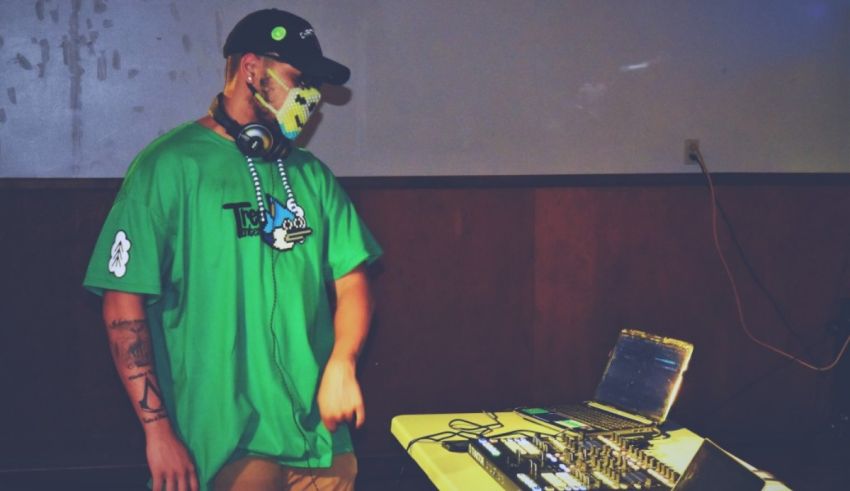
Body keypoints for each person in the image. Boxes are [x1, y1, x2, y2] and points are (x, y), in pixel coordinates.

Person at [83, 9, 381, 491]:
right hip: (226, 440)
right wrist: (157, 432)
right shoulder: (168, 168)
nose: (311, 98)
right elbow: (122, 302)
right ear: (250, 69)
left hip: (321, 436)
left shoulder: (311, 175)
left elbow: (353, 282)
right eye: (298, 79)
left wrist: (343, 361)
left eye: (315, 87)